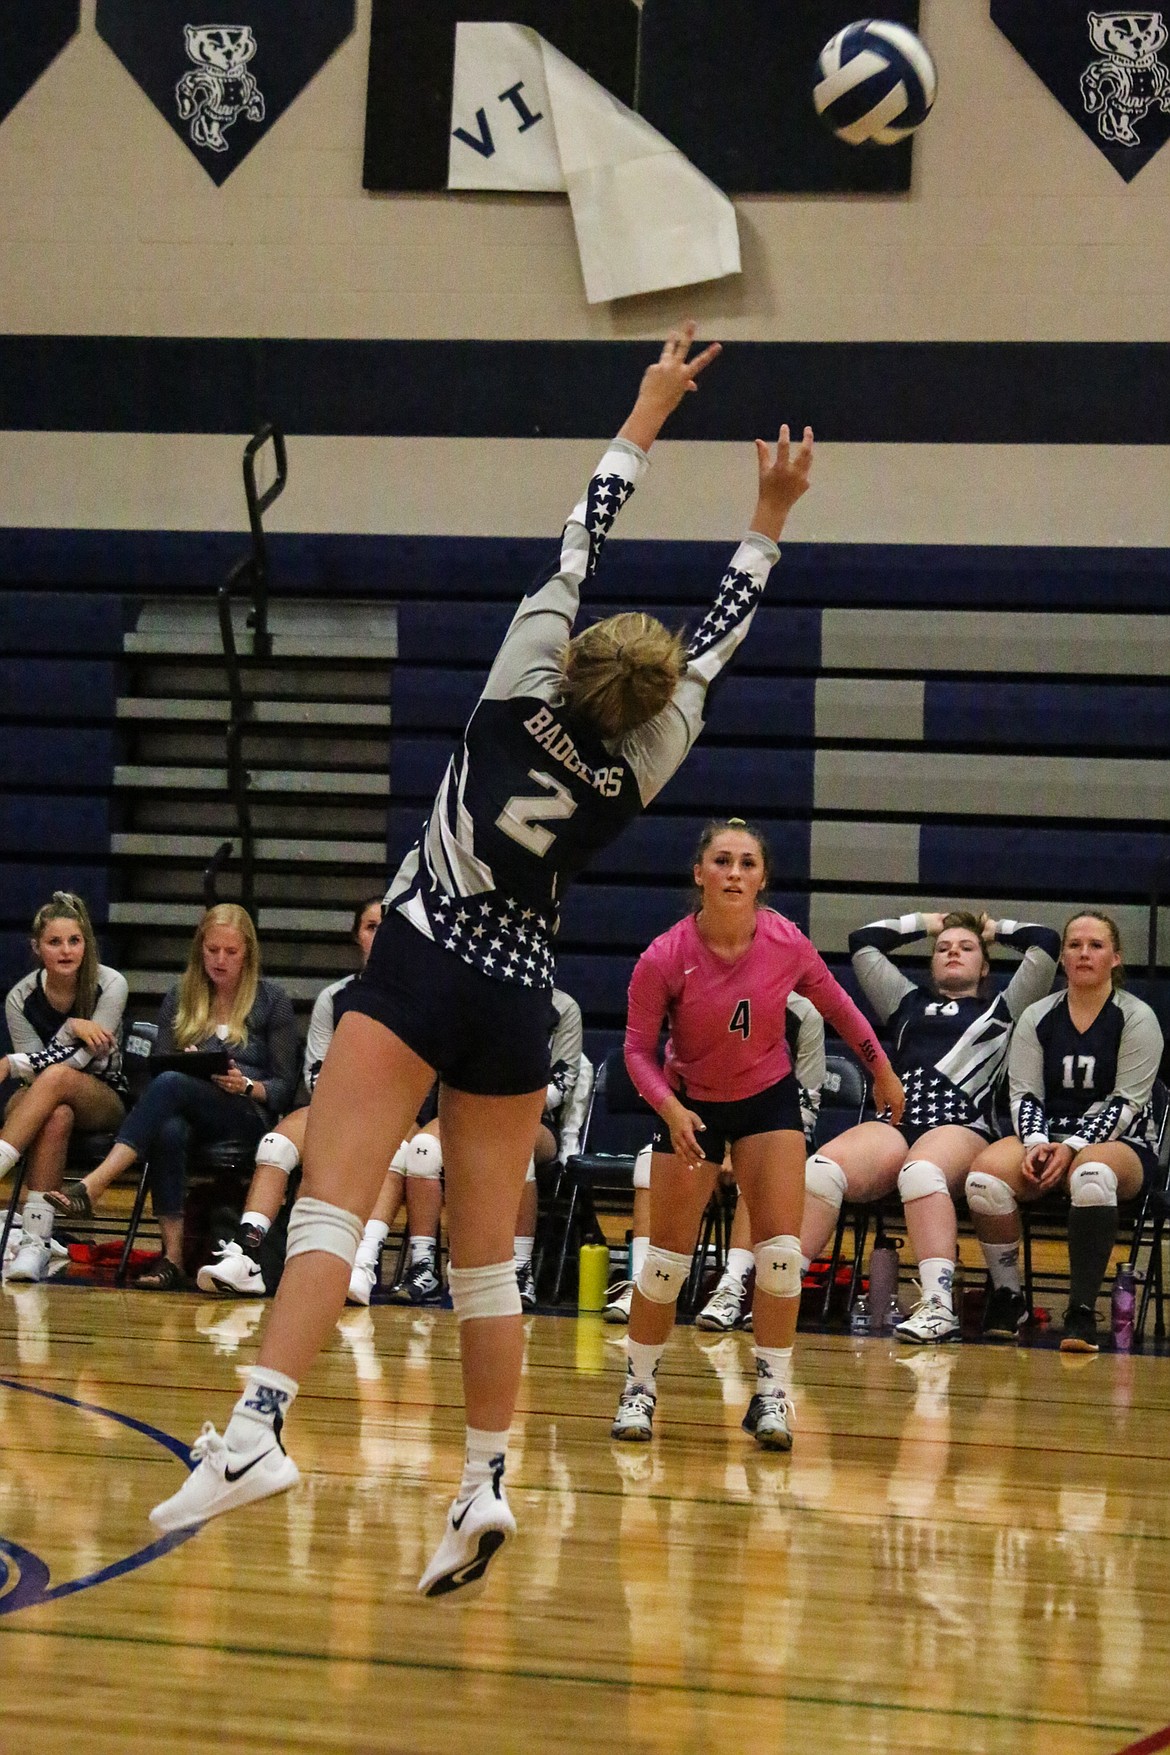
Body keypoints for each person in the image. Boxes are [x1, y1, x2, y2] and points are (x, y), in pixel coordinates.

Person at [146, 323, 817, 1600]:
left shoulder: (517, 680)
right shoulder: (652, 754)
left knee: (333, 1206)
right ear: (650, 698)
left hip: (422, 958)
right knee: (484, 1259)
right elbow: (723, 632)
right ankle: (486, 1479)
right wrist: (767, 515)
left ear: (573, 657)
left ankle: (256, 1430)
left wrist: (648, 407)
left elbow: (585, 530)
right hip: (518, 993)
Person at [612, 818, 904, 1451]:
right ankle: (639, 1387)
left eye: (747, 863)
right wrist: (669, 1109)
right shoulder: (664, 956)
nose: (735, 873)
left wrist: (881, 1070)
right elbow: (635, 1052)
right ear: (700, 874)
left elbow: (839, 1007)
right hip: (691, 1107)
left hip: (767, 1101)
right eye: (722, 861)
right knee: (664, 1264)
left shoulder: (786, 941)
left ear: (763, 877)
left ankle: (771, 1394)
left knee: (779, 1257)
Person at [798, 910, 1060, 1345]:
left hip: (961, 1125)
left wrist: (994, 931)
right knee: (822, 1168)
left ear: (985, 965)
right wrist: (929, 922)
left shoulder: (1004, 1007)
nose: (953, 951)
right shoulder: (906, 1001)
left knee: (920, 1171)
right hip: (898, 1122)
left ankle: (939, 1307)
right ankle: (784, 1288)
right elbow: (863, 940)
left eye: (966, 947)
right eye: (943, 948)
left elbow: (1047, 942)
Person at [47, 904, 298, 1289]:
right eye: (212, 950)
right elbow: (158, 1068)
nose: (220, 960)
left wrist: (245, 1084)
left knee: (172, 1085)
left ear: (248, 952)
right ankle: (173, 1258)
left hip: (247, 1115)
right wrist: (191, 1065)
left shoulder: (271, 1000)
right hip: (188, 1110)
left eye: (230, 952)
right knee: (168, 1127)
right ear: (200, 949)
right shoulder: (181, 994)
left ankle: (95, 1184)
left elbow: (284, 1087)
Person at [965, 912, 1163, 1353]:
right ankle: (1009, 1296)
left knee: (1090, 1176)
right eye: (1074, 945)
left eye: (1095, 945)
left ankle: (1081, 1309)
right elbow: (1025, 1095)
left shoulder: (1137, 1017)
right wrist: (1037, 1145)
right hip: (1048, 1134)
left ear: (1115, 957)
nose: (1083, 953)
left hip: (1121, 1141)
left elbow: (1126, 1104)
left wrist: (1071, 1149)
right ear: (1063, 957)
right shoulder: (1038, 1015)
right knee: (983, 1178)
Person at [195, 897, 388, 1298]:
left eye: (389, 927)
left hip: (398, 1110)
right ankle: (246, 1256)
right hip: (337, 1105)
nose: (380, 935)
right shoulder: (334, 999)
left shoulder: (425, 999)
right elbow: (316, 1072)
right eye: (371, 926)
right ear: (357, 935)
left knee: (399, 1150)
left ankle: (361, 1263)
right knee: (276, 1143)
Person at [604, 993, 823, 1329]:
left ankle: (731, 1287)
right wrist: (716, 1146)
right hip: (705, 1122)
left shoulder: (804, 1013)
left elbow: (807, 1101)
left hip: (772, 1130)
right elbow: (684, 1080)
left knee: (760, 1169)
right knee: (650, 1159)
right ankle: (641, 1283)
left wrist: (740, 1148)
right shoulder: (706, 990)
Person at [0, 892, 129, 1282]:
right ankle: (35, 1243)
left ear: (86, 944)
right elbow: (35, 1078)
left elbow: (81, 1062)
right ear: (37, 948)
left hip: (103, 1094)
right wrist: (72, 1028)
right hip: (39, 1093)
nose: (66, 950)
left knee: (59, 1081)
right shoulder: (20, 998)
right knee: (56, 1111)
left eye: (74, 941)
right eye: (54, 942)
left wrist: (14, 1060)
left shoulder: (110, 984)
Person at [514, 985, 584, 1310]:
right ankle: (424, 1264)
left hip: (535, 1121)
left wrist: (504, 1106)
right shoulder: (475, 988)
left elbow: (560, 1084)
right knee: (423, 1151)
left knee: (515, 1148)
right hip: (474, 1114)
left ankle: (520, 1269)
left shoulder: (562, 1007)